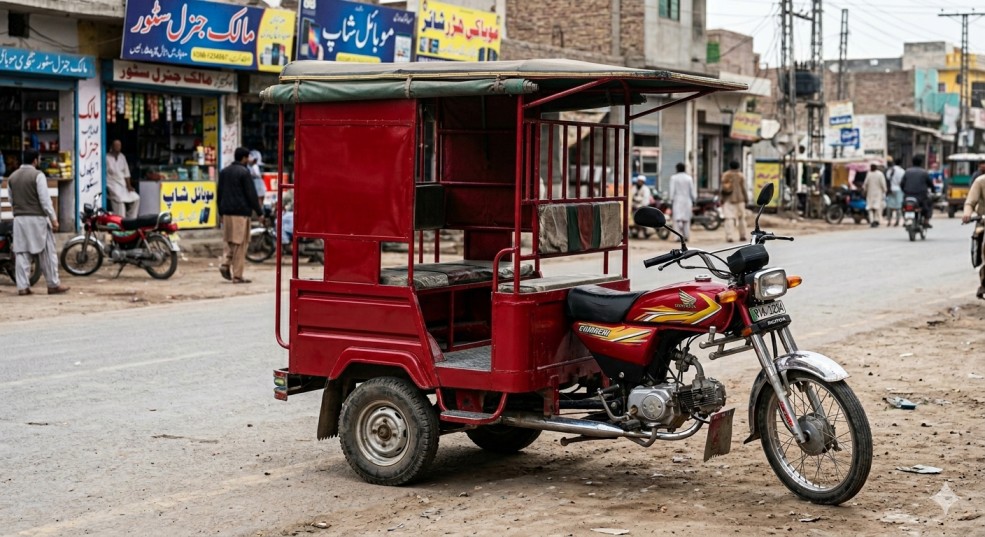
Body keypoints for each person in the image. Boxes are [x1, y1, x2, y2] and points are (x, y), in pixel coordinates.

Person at [7, 149, 69, 296]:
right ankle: (53, 284)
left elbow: (11, 200)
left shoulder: (12, 177)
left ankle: (22, 287)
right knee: (47, 252)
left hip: (20, 220)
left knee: (22, 253)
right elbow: (45, 201)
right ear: (35, 160)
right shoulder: (38, 175)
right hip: (38, 219)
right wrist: (53, 219)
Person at [217, 147, 262, 284]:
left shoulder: (224, 171)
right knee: (240, 244)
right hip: (240, 213)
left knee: (230, 241)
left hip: (226, 212)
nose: (249, 160)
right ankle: (237, 276)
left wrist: (220, 212)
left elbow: (219, 193)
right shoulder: (244, 172)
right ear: (244, 158)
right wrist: (259, 213)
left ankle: (225, 264)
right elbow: (251, 194)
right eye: (248, 157)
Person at [962, 169, 985, 299]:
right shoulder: (980, 181)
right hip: (983, 221)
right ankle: (984, 282)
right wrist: (967, 213)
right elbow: (970, 202)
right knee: (980, 239)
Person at [106, 139, 140, 219]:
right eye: (116, 145)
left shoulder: (122, 157)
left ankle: (131, 219)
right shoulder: (106, 157)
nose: (118, 147)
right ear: (112, 147)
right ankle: (121, 221)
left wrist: (129, 186)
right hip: (112, 185)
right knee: (120, 201)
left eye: (119, 146)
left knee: (136, 198)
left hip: (123, 185)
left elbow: (126, 173)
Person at [900, 155, 934, 228]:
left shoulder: (907, 171)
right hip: (921, 196)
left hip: (908, 195)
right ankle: (926, 221)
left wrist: (905, 191)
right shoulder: (924, 172)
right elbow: (930, 184)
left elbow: (902, 184)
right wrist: (933, 190)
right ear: (921, 163)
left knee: (903, 206)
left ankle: (905, 220)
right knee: (929, 204)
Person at [720, 160, 748, 242]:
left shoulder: (726, 175)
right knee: (742, 218)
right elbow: (743, 189)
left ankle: (729, 236)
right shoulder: (741, 176)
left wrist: (722, 199)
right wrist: (746, 198)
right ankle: (743, 235)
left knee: (729, 219)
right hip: (740, 199)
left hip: (729, 199)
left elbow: (723, 189)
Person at [668, 162, 696, 241]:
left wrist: (671, 200)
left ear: (677, 169)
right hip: (687, 201)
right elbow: (692, 191)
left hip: (677, 201)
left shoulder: (674, 178)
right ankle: (686, 236)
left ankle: (677, 237)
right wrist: (694, 199)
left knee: (677, 220)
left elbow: (672, 190)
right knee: (686, 220)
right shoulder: (689, 178)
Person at [862, 163, 887, 227]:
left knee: (870, 208)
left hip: (870, 193)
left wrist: (864, 191)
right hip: (878, 193)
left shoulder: (869, 174)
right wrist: (885, 190)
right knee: (877, 207)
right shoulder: (880, 174)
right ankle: (876, 220)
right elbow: (883, 184)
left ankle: (872, 221)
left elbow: (865, 184)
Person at [885, 157, 905, 226]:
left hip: (891, 190)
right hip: (899, 190)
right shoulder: (902, 171)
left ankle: (889, 221)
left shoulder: (890, 170)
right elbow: (902, 181)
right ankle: (897, 221)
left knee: (889, 206)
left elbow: (887, 178)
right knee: (898, 207)